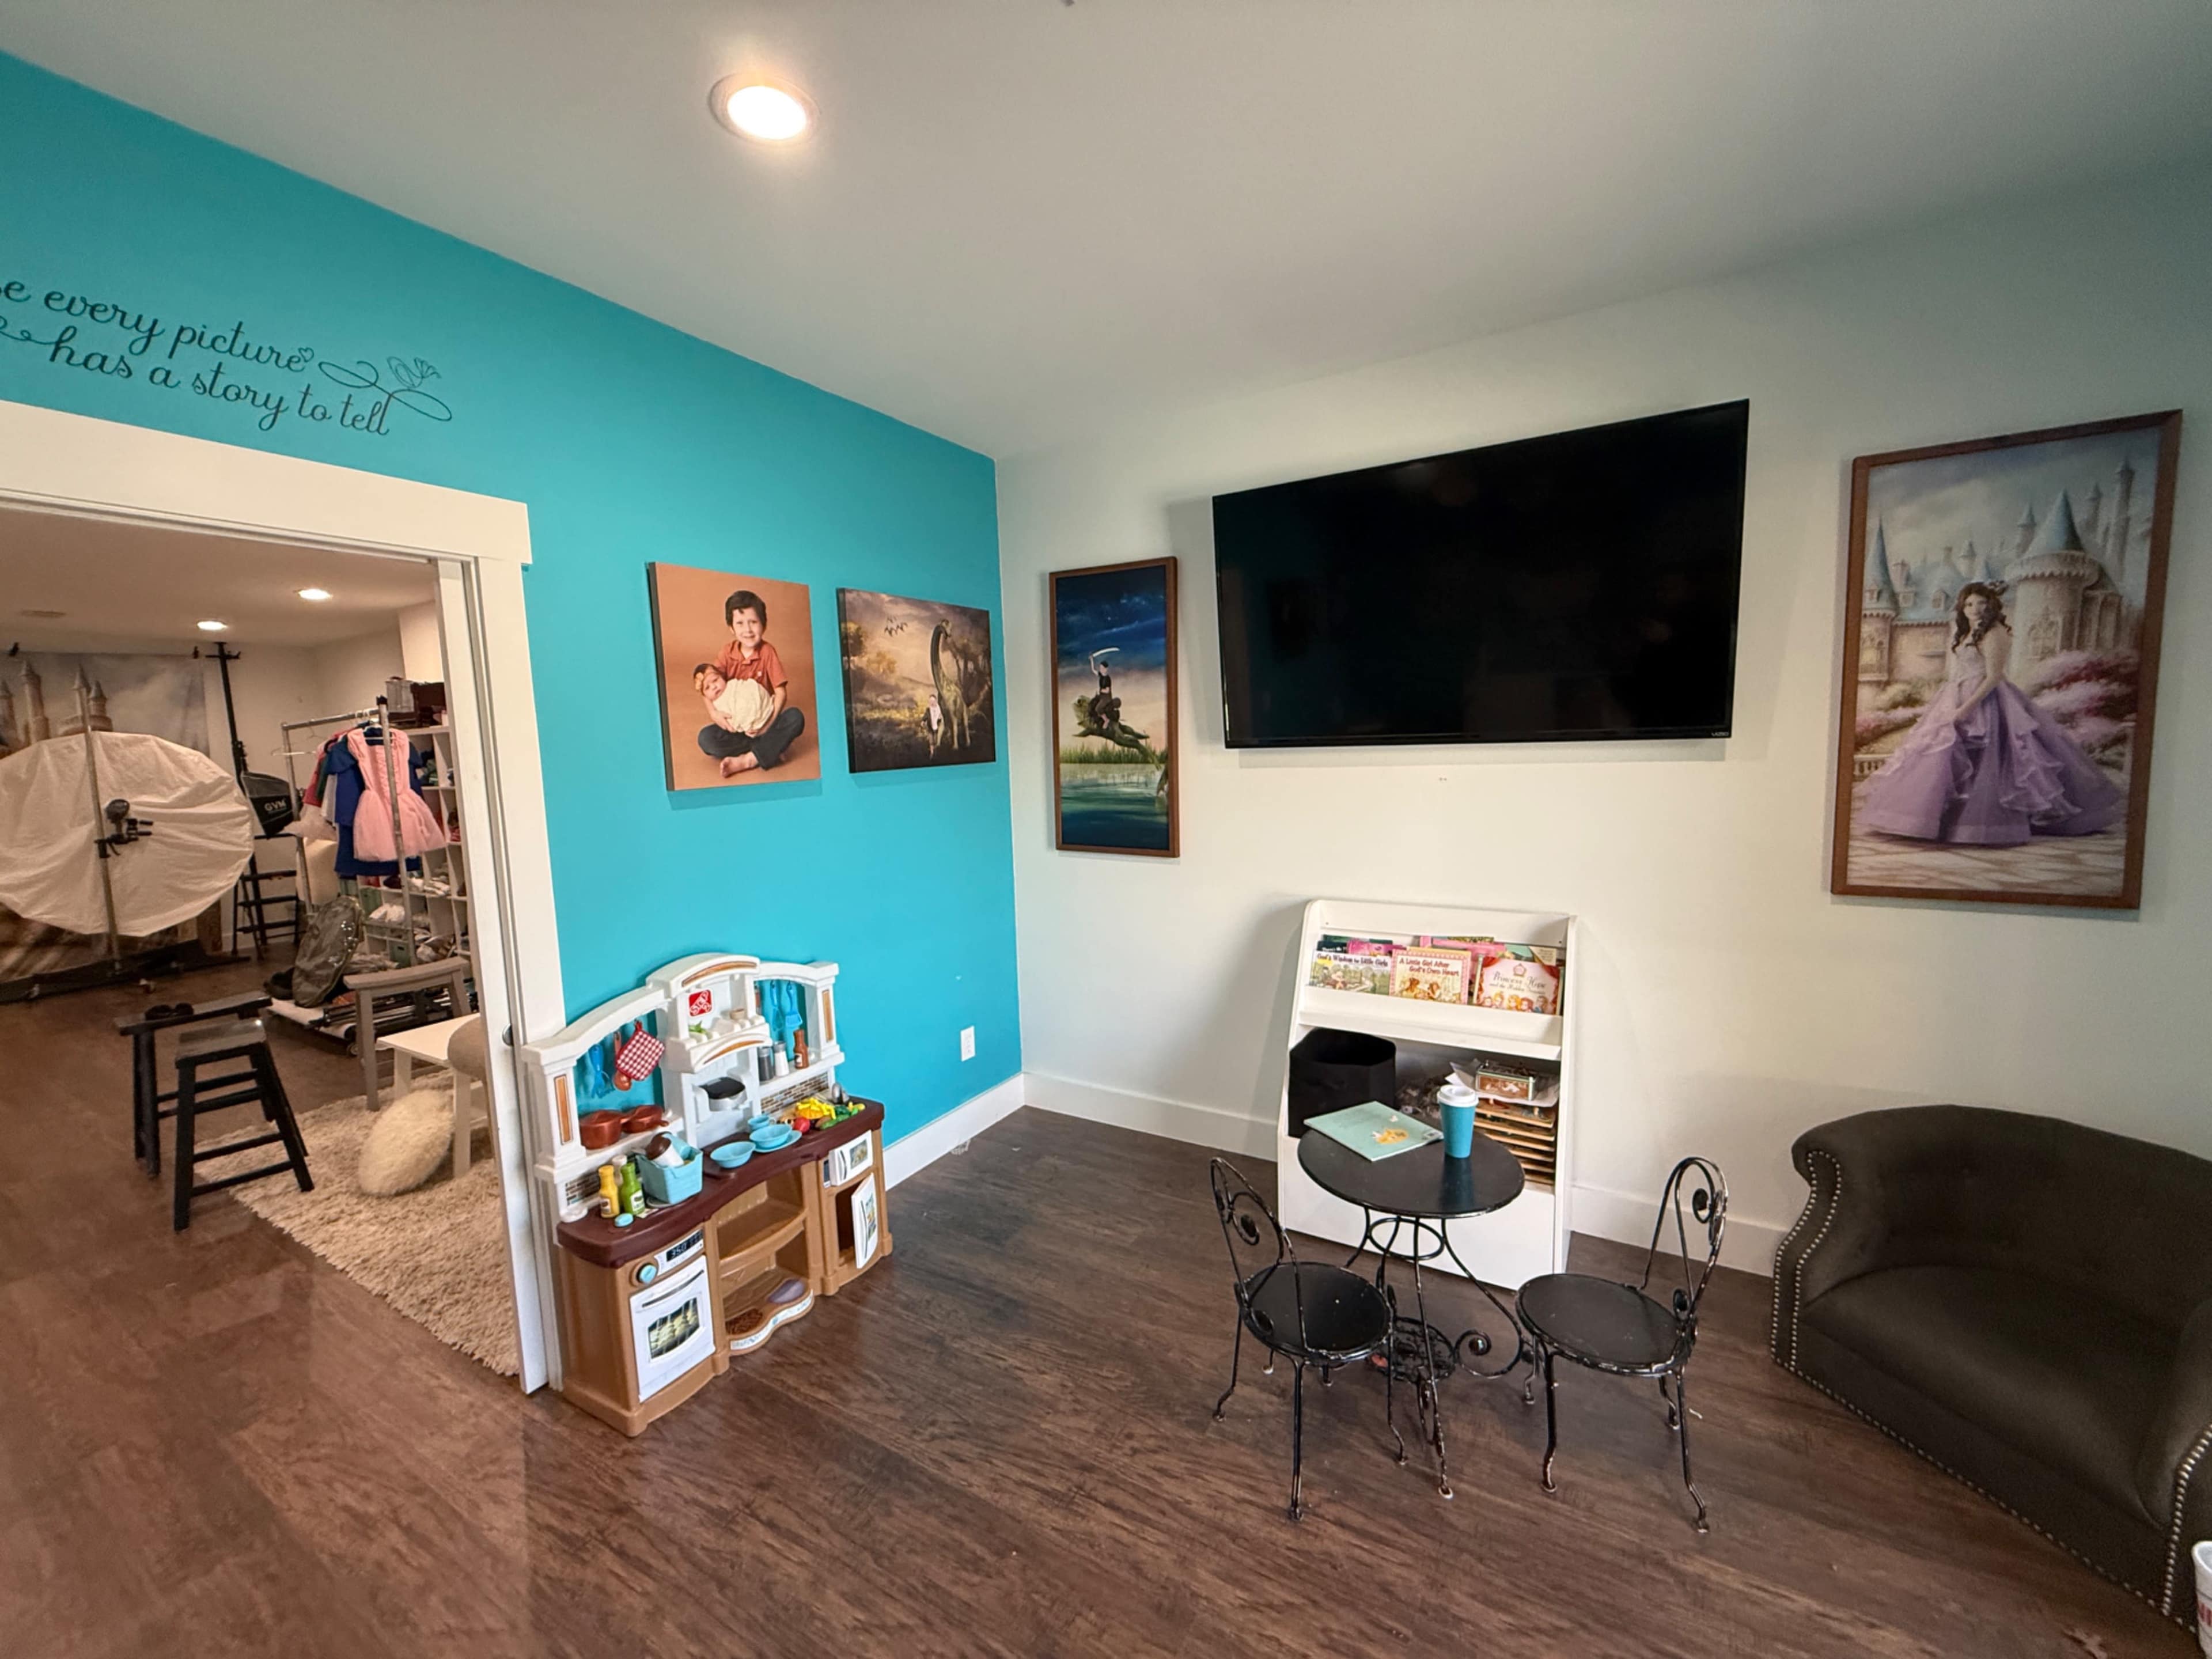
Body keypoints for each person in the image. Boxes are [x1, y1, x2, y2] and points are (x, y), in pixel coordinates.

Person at [1858, 582, 2123, 845]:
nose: (1975, 609)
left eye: (1981, 604)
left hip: (1985, 700)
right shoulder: (1967, 632)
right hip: (1955, 694)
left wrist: (1965, 708)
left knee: (1989, 760)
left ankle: (1983, 823)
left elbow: (1994, 677)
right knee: (1945, 757)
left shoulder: (1994, 633)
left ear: (1992, 606)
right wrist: (1949, 702)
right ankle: (1944, 820)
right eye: (1969, 604)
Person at [696, 588, 805, 776]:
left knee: (796, 718)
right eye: (740, 624)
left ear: (764, 625)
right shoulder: (727, 653)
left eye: (753, 622)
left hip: (764, 722)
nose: (747, 630)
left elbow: (781, 693)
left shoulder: (768, 652)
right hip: (738, 726)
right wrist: (714, 714)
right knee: (706, 739)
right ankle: (769, 748)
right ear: (731, 628)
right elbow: (706, 686)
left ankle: (749, 760)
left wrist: (768, 725)